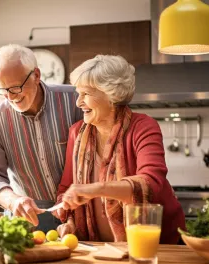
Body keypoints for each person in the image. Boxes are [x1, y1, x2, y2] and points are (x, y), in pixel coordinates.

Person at [53, 55, 185, 244]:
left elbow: (150, 183)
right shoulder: (76, 133)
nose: (78, 102)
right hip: (100, 249)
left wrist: (96, 189)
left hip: (157, 245)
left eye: (86, 94)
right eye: (78, 94)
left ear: (111, 94)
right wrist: (70, 220)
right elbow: (66, 188)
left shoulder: (143, 126)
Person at [0, 44, 83, 232]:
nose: (10, 97)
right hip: (28, 217)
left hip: (79, 210)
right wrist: (13, 201)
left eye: (16, 87)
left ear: (36, 75)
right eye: (2, 89)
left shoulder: (75, 100)